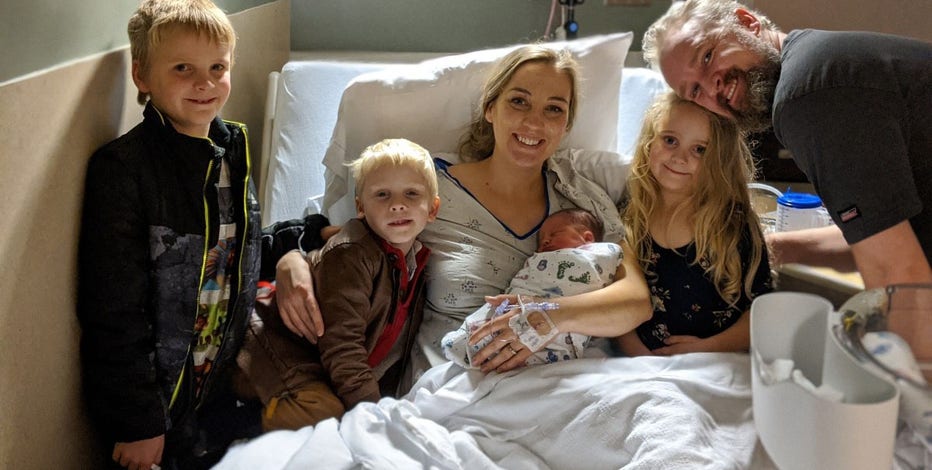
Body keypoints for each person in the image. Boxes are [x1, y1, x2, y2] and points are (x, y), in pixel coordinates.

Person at [273, 44, 652, 380]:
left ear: (566, 125)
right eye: (518, 102)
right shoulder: (431, 190)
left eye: (554, 109)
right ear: (490, 108)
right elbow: (347, 241)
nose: (534, 122)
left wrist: (546, 316)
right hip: (453, 387)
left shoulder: (583, 200)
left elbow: (635, 301)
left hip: (564, 383)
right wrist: (292, 260)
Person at [77, 1, 262, 468]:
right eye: (183, 68)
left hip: (216, 393)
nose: (205, 83)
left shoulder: (230, 152)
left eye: (217, 67)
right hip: (156, 409)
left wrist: (307, 241)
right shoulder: (124, 171)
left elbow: (239, 245)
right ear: (142, 75)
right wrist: (139, 421)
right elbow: (113, 309)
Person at [641, 0, 932, 290]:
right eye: (694, 90)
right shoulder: (815, 62)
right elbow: (879, 238)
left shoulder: (806, 94)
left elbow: (899, 275)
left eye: (707, 56)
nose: (711, 86)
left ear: (747, 22)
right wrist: (761, 250)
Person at [236, 138, 440, 431]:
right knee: (325, 415)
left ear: (432, 209)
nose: (397, 205)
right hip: (274, 344)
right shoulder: (352, 253)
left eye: (411, 193)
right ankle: (227, 429)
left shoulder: (415, 264)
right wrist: (373, 416)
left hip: (321, 364)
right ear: (361, 207)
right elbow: (342, 345)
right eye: (382, 194)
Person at [614, 91, 773, 356]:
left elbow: (763, 309)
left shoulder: (733, 223)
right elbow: (616, 298)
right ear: (648, 143)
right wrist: (640, 358)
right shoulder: (630, 215)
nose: (680, 157)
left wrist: (706, 348)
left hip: (717, 360)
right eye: (670, 140)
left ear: (719, 159)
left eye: (699, 149)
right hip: (640, 363)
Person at [442, 208, 624, 368]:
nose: (545, 241)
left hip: (567, 323)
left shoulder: (603, 253)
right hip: (522, 301)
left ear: (588, 238)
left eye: (554, 234)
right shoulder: (540, 259)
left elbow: (621, 297)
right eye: (541, 240)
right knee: (496, 315)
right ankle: (466, 342)